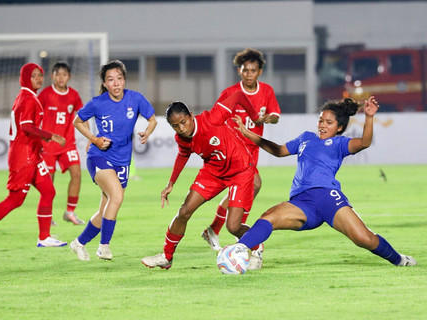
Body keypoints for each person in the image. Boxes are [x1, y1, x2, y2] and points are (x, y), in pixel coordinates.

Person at [233, 96, 417, 267]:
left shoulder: (339, 144)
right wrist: (247, 133)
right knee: (268, 217)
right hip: (301, 202)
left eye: (329, 123)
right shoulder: (306, 138)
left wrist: (369, 118)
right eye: (321, 120)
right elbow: (279, 151)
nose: (322, 125)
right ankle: (238, 250)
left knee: (364, 239)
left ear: (339, 128)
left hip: (328, 198)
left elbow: (364, 143)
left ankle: (400, 260)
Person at [141, 91, 270, 270]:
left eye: (183, 122)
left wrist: (255, 117)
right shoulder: (182, 138)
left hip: (240, 170)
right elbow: (183, 155)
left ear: (191, 116)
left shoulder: (213, 118)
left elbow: (239, 96)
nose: (182, 129)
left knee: (233, 226)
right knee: (184, 211)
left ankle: (257, 248)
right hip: (213, 171)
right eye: (175, 126)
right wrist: (171, 183)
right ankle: (166, 256)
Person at [0, 62, 68, 249]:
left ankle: (44, 237)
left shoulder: (28, 97)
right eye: (34, 75)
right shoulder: (27, 98)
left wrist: (40, 145)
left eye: (40, 75)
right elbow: (26, 127)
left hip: (32, 155)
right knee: (15, 199)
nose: (39, 78)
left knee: (49, 191)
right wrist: (51, 136)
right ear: (25, 78)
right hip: (23, 158)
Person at [69, 60, 157, 262]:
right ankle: (104, 246)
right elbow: (78, 121)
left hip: (122, 161)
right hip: (99, 157)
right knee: (116, 197)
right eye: (111, 80)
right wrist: (94, 139)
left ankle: (79, 243)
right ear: (105, 84)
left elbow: (152, 119)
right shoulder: (98, 103)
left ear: (124, 80)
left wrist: (147, 133)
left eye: (119, 78)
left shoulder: (135, 99)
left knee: (105, 210)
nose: (116, 83)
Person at [201, 48, 281, 252]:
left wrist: (267, 119)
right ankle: (240, 233)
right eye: (245, 70)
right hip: (232, 151)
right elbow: (215, 118)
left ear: (259, 72)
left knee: (247, 190)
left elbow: (275, 116)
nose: (249, 74)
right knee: (254, 185)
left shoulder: (266, 91)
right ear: (239, 71)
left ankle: (214, 230)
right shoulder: (230, 93)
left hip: (252, 150)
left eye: (253, 70)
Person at [38, 62, 84, 226]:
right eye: (58, 74)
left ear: (69, 77)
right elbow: (35, 115)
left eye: (64, 74)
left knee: (77, 174)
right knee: (48, 183)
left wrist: (91, 138)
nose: (61, 77)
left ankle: (70, 212)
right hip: (48, 145)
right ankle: (47, 215)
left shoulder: (73, 95)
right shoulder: (45, 94)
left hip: (67, 144)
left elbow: (82, 116)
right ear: (52, 76)